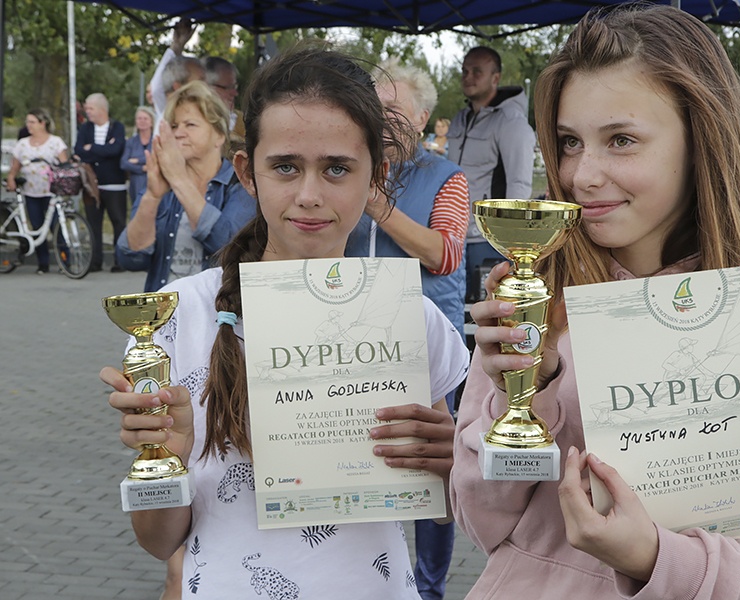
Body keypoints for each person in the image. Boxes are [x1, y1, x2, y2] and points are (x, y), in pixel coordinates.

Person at [451, 5, 740, 599]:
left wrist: (657, 559)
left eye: (621, 140)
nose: (582, 174)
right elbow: (485, 522)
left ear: (702, 141)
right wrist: (529, 398)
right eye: (568, 142)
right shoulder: (538, 298)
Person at [101, 46, 469, 599]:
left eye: (338, 168)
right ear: (248, 171)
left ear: (378, 175)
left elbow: (442, 513)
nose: (309, 195)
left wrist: (451, 462)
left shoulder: (408, 317)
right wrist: (169, 461)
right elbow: (158, 543)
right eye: (286, 166)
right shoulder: (179, 317)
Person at [345, 58, 468, 600]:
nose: (383, 120)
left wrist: (377, 206)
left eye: (393, 109)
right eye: (375, 109)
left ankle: (431, 586)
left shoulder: (449, 177)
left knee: (427, 467)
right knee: (367, 458)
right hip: (353, 341)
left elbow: (444, 254)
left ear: (421, 119)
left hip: (425, 344)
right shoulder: (350, 166)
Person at [115, 80, 255, 293]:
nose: (179, 133)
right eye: (173, 126)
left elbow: (230, 248)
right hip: (164, 320)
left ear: (218, 135)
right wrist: (152, 196)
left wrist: (179, 180)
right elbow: (130, 258)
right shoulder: (163, 182)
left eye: (190, 124)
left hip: (216, 319)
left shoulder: (239, 183)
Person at [446, 46, 536, 302]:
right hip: (453, 235)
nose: (468, 77)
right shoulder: (459, 120)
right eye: (464, 71)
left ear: (495, 78)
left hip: (486, 241)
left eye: (477, 71)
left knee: (485, 314)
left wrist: (509, 242)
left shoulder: (511, 123)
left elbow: (519, 185)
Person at [5, 108, 68, 274]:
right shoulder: (23, 144)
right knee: (37, 225)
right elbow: (15, 166)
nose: (28, 125)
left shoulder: (55, 142)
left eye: (32, 122)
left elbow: (64, 165)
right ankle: (43, 263)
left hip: (50, 191)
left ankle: (65, 261)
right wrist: (11, 178)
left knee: (56, 226)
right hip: (31, 190)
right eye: (27, 122)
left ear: (43, 123)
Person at [74, 93, 128, 273]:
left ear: (102, 109)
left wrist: (93, 148)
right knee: (93, 223)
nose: (87, 112)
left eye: (90, 108)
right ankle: (95, 261)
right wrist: (103, 149)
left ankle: (119, 261)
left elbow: (116, 149)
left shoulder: (117, 127)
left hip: (114, 185)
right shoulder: (85, 128)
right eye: (86, 108)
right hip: (91, 185)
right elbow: (79, 150)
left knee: (118, 222)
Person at [150, 18, 205, 136]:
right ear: (178, 87)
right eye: (200, 81)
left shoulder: (205, 115)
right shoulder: (167, 113)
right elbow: (156, 88)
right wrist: (176, 46)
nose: (207, 86)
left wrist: (177, 45)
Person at [202, 56, 245, 141]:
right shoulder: (185, 122)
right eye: (227, 87)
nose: (235, 93)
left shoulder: (245, 123)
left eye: (234, 86)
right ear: (205, 87)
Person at [120, 106, 155, 207]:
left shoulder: (156, 140)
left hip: (153, 182)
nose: (142, 121)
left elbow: (156, 159)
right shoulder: (131, 141)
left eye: (145, 118)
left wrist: (137, 160)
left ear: (151, 122)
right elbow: (123, 163)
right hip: (136, 184)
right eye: (139, 118)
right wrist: (143, 168)